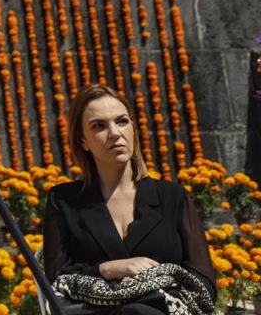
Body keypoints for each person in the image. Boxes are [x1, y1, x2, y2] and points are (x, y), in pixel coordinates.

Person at [41, 84, 216, 314]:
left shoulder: (173, 197)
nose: (115, 133)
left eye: (122, 121)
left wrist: (149, 286)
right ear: (82, 140)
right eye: (99, 126)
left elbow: (204, 283)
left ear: (133, 128)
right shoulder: (64, 201)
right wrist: (108, 269)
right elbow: (57, 278)